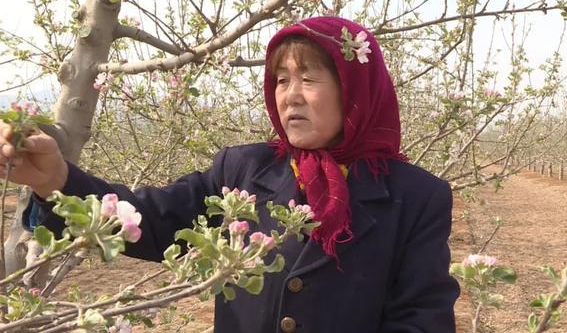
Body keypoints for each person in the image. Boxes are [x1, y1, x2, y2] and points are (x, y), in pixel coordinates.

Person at [0, 17, 459, 332]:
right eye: (282, 79)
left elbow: (423, 318)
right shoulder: (244, 168)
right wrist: (56, 179)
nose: (291, 96)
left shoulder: (416, 196)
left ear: (356, 91)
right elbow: (153, 218)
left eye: (310, 78)